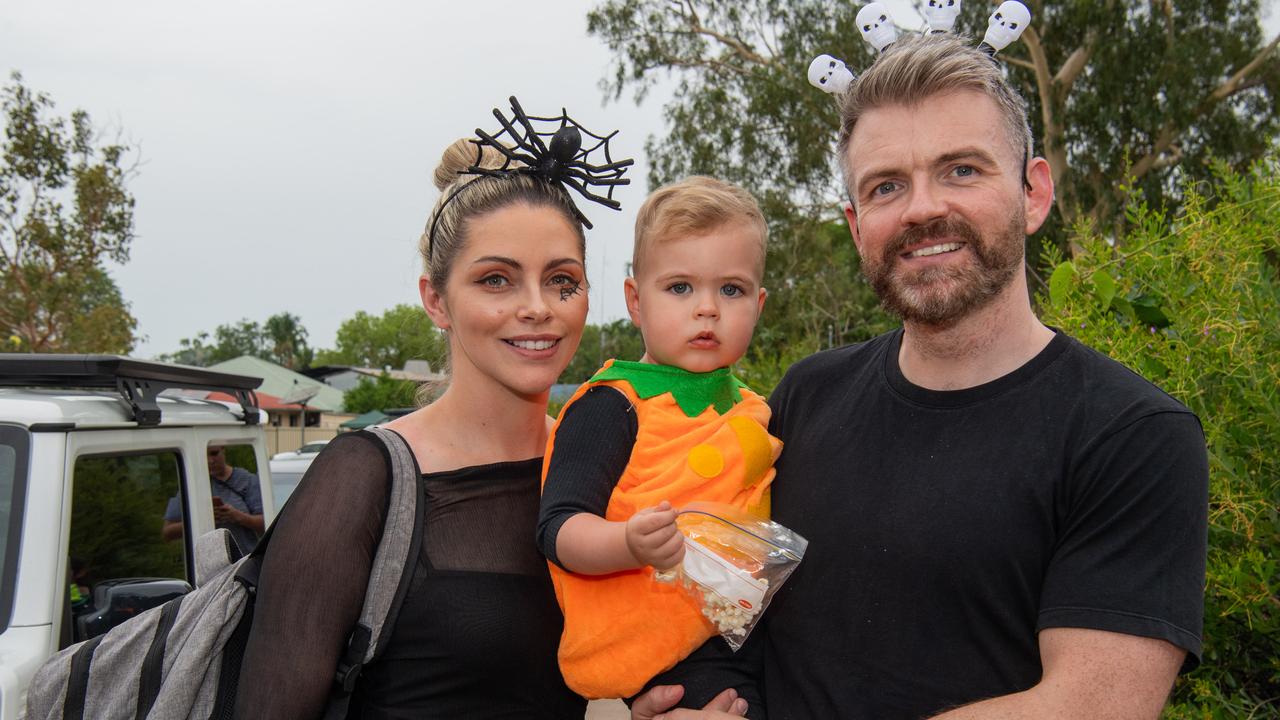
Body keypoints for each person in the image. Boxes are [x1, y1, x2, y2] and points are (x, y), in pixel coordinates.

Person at [650, 33, 1209, 719]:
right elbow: (731, 615)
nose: (921, 209)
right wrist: (696, 704)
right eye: (887, 186)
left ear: (1033, 193)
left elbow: (1091, 703)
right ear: (857, 226)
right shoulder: (805, 397)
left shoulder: (1132, 435)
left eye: (962, 171)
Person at [232, 110, 748, 719]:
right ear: (436, 299)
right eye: (497, 279)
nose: (537, 308)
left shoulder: (615, 471)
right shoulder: (367, 477)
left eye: (561, 280)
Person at [537, 176, 780, 699]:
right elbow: (557, 527)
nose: (707, 308)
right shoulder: (613, 403)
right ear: (635, 300)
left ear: (758, 304)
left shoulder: (753, 409)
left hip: (749, 636)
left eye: (730, 289)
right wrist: (626, 543)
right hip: (670, 658)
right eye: (680, 287)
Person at [162, 444, 264, 554]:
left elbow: (265, 523)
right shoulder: (191, 485)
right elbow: (168, 532)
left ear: (223, 449)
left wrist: (238, 517)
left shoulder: (247, 480)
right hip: (206, 563)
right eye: (204, 456)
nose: (210, 461)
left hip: (244, 560)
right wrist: (201, 520)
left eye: (214, 453)